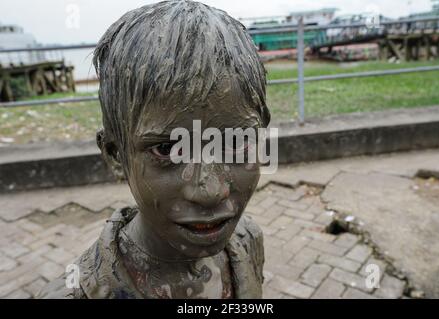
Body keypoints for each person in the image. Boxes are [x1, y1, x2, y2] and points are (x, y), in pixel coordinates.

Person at [38, 0, 270, 299]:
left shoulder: (248, 240)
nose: (211, 191)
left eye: (237, 142)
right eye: (168, 149)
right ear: (115, 154)